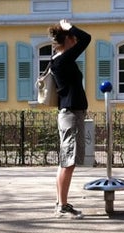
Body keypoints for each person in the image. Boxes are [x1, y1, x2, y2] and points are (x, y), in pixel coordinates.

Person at [49, 19, 91, 219]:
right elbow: (87, 39)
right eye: (72, 38)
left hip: (69, 113)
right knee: (68, 161)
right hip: (71, 114)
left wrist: (69, 30)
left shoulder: (59, 60)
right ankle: (62, 205)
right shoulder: (63, 60)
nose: (76, 41)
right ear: (67, 39)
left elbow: (82, 40)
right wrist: (70, 28)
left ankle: (61, 203)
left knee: (65, 161)